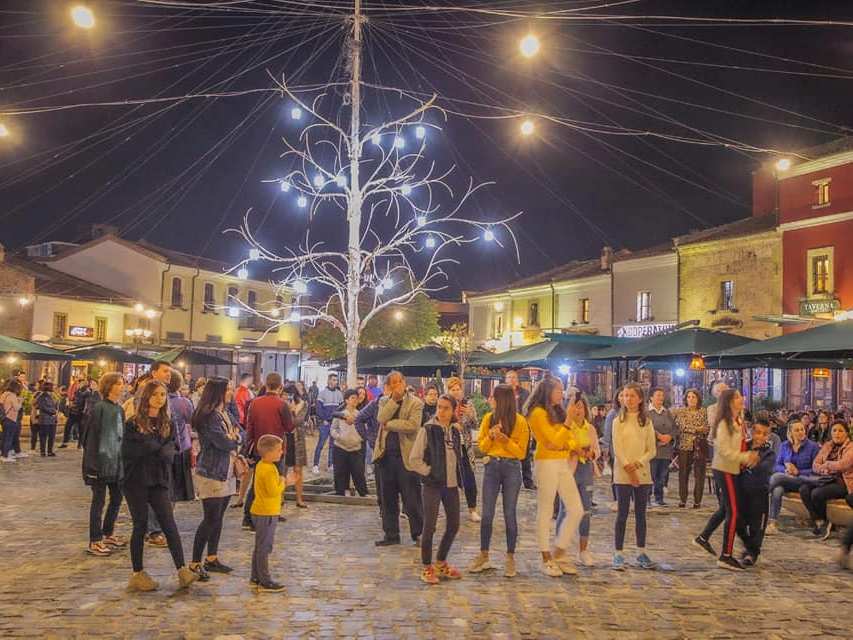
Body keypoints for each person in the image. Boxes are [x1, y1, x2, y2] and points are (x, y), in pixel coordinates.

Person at [121, 380, 198, 592]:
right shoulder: (133, 423)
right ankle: (138, 573)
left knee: (169, 523)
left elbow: (171, 450)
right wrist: (158, 447)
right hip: (136, 480)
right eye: (155, 394)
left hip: (159, 480)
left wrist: (155, 447)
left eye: (163, 395)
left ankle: (182, 569)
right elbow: (132, 452)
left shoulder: (168, 423)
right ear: (146, 397)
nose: (159, 398)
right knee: (140, 524)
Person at [694, 389, 759, 571]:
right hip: (725, 469)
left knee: (726, 508)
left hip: (733, 469)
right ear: (729, 402)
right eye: (737, 397)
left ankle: (704, 537)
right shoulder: (724, 423)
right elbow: (723, 450)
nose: (742, 399)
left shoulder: (738, 420)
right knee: (733, 511)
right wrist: (745, 457)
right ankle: (726, 554)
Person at [468, 384, 530, 578]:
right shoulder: (488, 418)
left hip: (512, 468)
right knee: (487, 513)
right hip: (492, 467)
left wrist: (505, 440)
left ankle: (510, 557)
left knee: (509, 513)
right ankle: (483, 554)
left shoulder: (520, 421)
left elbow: (521, 453)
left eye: (493, 396)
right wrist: (491, 436)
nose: (490, 399)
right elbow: (483, 448)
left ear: (502, 400)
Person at [526, 376, 583, 577]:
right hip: (546, 463)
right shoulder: (537, 413)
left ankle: (559, 551)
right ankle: (546, 557)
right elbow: (552, 441)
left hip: (562, 462)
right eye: (558, 389)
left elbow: (569, 439)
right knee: (546, 509)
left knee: (577, 509)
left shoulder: (557, 411)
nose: (562, 393)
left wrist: (573, 443)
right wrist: (568, 422)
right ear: (547, 391)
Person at [189, 377, 242, 581]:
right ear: (217, 392)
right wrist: (233, 438)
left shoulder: (224, 413)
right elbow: (222, 442)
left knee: (218, 518)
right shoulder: (209, 416)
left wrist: (235, 437)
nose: (231, 392)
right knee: (210, 519)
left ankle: (212, 557)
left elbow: (242, 432)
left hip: (227, 471)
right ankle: (195, 562)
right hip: (212, 471)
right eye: (228, 389)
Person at [408, 394, 464, 585]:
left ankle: (441, 561)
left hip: (451, 484)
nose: (441, 411)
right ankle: (426, 566)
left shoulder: (455, 431)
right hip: (433, 485)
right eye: (439, 407)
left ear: (454, 410)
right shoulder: (428, 429)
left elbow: (459, 458)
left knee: (454, 524)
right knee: (429, 526)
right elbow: (414, 459)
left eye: (446, 408)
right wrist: (429, 472)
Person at [372, 370, 424, 547]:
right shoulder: (384, 401)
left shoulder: (416, 403)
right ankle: (391, 534)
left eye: (398, 382)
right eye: (391, 383)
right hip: (386, 457)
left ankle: (418, 533)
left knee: (412, 499)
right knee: (387, 499)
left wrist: (390, 425)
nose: (395, 386)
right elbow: (381, 418)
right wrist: (394, 401)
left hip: (406, 458)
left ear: (404, 382)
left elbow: (412, 426)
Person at [611, 382, 658, 571]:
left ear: (639, 399)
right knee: (622, 514)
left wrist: (638, 464)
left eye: (632, 395)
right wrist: (628, 468)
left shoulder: (646, 422)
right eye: (625, 395)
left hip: (642, 472)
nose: (628, 399)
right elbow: (618, 448)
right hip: (623, 473)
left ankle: (641, 551)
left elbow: (651, 449)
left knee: (641, 514)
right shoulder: (617, 421)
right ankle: (618, 553)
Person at [81, 373, 127, 557]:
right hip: (100, 464)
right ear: (109, 386)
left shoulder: (119, 409)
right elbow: (90, 438)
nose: (122, 386)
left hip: (116, 463)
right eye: (118, 383)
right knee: (98, 502)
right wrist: (92, 466)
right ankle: (95, 540)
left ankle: (108, 533)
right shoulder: (99, 408)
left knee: (116, 499)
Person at [555, 388, 600, 568]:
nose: (577, 410)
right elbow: (559, 448)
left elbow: (597, 450)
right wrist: (573, 451)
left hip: (586, 469)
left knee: (586, 511)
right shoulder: (565, 428)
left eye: (580, 407)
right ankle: (560, 550)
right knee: (565, 510)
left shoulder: (590, 429)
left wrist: (592, 453)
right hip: (569, 471)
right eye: (574, 407)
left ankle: (583, 550)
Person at [243, 373, 293, 529]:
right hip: (277, 448)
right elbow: (289, 427)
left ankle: (249, 517)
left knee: (257, 483)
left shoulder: (255, 403)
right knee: (276, 481)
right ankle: (269, 513)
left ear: (265, 384)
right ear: (280, 387)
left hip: (259, 447)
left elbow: (249, 427)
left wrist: (248, 447)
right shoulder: (281, 404)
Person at [799, 421, 852, 538]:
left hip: (842, 482)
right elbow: (815, 464)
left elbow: (843, 465)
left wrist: (827, 465)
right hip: (825, 478)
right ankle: (818, 520)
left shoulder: (850, 447)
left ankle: (824, 522)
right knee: (804, 489)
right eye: (834, 430)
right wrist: (825, 469)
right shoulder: (828, 445)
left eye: (840, 431)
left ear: (847, 433)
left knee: (817, 493)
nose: (837, 433)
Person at [765, 421, 820, 535]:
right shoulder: (785, 445)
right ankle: (772, 523)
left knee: (776, 477)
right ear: (790, 433)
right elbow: (777, 465)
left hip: (804, 480)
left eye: (802, 429)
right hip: (786, 479)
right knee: (777, 489)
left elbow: (816, 469)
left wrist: (798, 471)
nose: (801, 432)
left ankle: (758, 496)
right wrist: (786, 469)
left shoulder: (813, 446)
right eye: (797, 430)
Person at [250, 434, 287, 593]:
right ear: (269, 452)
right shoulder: (269, 469)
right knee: (265, 547)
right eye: (279, 450)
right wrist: (284, 481)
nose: (281, 452)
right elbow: (273, 491)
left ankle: (255, 575)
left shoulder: (260, 465)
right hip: (267, 512)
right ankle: (265, 579)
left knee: (259, 546)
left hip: (260, 510)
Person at [738, 419, 776, 566]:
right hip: (742, 491)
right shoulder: (744, 446)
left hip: (759, 493)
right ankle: (749, 547)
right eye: (758, 432)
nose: (760, 436)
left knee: (757, 526)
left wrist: (751, 462)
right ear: (752, 432)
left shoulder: (769, 453)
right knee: (739, 522)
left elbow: (763, 468)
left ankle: (752, 553)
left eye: (764, 434)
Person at [446, 377, 481, 522]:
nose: (456, 392)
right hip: (449, 447)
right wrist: (452, 425)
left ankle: (472, 509)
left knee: (469, 480)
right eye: (453, 389)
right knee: (450, 481)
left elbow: (475, 425)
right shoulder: (445, 404)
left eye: (458, 389)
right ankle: (451, 512)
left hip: (465, 447)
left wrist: (470, 414)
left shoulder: (468, 404)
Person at [673, 389, 710, 509]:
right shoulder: (681, 411)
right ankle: (683, 499)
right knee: (683, 473)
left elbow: (707, 427)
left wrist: (699, 429)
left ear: (698, 398)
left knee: (699, 474)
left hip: (700, 445)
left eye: (693, 397)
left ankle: (697, 500)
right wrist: (697, 429)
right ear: (685, 399)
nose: (691, 399)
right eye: (689, 397)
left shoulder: (703, 411)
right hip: (685, 445)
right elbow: (682, 426)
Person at [331, 389, 368, 496]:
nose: (355, 400)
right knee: (340, 472)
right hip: (340, 447)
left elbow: (365, 429)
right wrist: (339, 437)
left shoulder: (360, 414)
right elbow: (333, 429)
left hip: (356, 448)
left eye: (356, 398)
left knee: (358, 472)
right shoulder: (340, 414)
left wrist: (360, 438)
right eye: (352, 398)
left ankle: (363, 493)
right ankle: (340, 492)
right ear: (346, 400)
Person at [168, 369, 195, 503]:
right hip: (181, 446)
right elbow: (191, 420)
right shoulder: (184, 402)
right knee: (177, 486)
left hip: (164, 447)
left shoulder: (159, 399)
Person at [505, 370, 534, 490]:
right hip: (507, 427)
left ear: (517, 380)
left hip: (522, 427)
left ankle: (528, 481)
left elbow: (529, 409)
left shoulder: (525, 393)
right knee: (508, 455)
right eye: (509, 377)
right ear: (505, 380)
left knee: (525, 455)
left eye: (514, 377)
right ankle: (507, 482)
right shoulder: (502, 392)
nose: (512, 379)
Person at [648, 387, 677, 508]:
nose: (661, 398)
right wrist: (658, 436)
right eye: (658, 395)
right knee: (651, 475)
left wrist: (669, 437)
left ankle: (659, 498)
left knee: (662, 476)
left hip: (665, 450)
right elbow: (645, 428)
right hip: (652, 449)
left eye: (662, 395)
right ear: (651, 397)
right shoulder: (647, 412)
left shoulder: (667, 412)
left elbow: (675, 428)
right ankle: (647, 498)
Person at [283, 384, 309, 509]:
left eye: (289, 394)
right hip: (284, 439)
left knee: (298, 470)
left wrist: (292, 410)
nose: (287, 397)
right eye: (285, 394)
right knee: (282, 469)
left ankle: (299, 499)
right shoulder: (281, 404)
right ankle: (280, 497)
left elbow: (298, 421)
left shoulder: (303, 404)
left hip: (297, 439)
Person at [313, 373, 343, 474]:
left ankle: (331, 465)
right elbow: (318, 408)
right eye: (334, 380)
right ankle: (315, 465)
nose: (335, 382)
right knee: (321, 444)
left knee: (332, 445)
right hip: (325, 424)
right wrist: (323, 419)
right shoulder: (322, 393)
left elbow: (342, 408)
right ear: (329, 381)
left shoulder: (339, 394)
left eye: (336, 380)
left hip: (335, 424)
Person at [0, 379, 24, 463]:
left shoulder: (4, 394)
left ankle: (4, 454)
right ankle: (5, 456)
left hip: (4, 418)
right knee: (9, 438)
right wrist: (20, 401)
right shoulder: (12, 395)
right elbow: (17, 407)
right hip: (11, 418)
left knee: (4, 437)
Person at [33, 381, 59, 457]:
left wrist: (56, 411)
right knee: (43, 436)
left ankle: (50, 451)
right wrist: (53, 412)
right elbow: (42, 407)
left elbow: (56, 405)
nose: (54, 387)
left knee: (52, 436)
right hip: (45, 419)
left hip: (52, 420)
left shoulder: (53, 395)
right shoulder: (42, 396)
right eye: (53, 386)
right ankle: (43, 451)